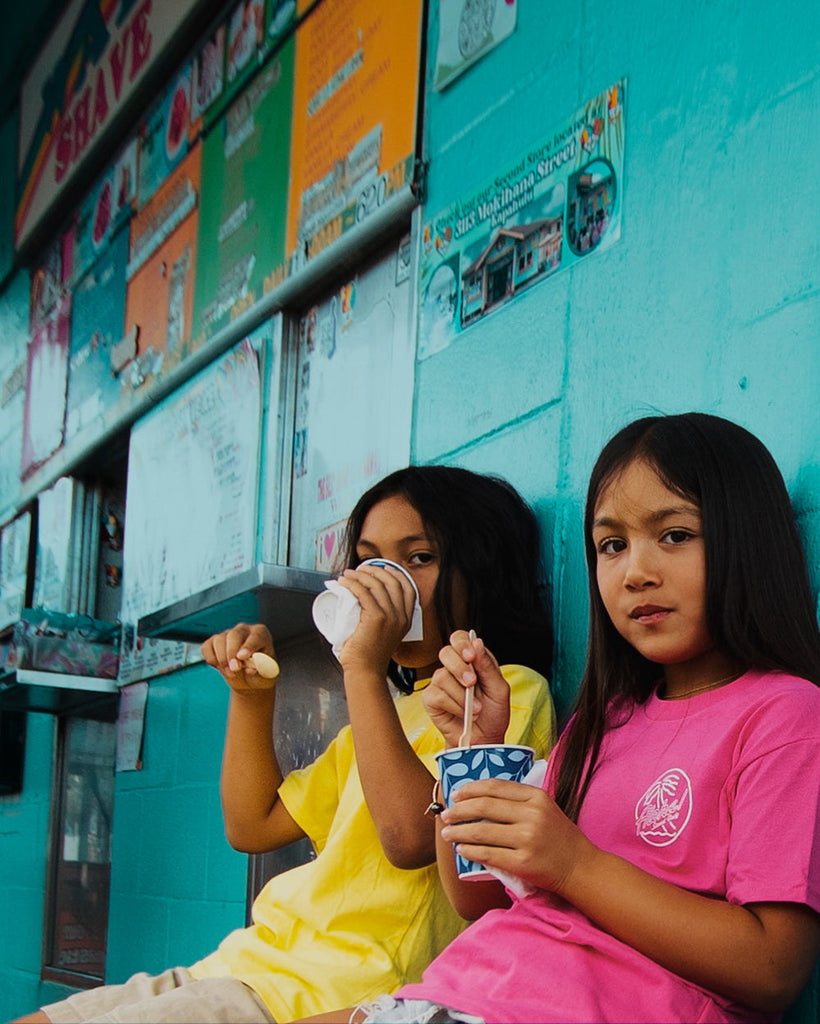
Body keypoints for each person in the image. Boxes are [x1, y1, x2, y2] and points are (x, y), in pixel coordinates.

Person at [297, 412, 820, 1024]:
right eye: (612, 545)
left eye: (675, 535)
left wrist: (576, 865)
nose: (635, 572)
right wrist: (471, 752)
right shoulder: (608, 720)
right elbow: (477, 897)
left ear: (747, 539)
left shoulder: (783, 715)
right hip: (463, 992)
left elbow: (773, 970)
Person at [17, 465, 555, 1024]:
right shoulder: (382, 717)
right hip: (247, 965)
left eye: (418, 558)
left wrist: (362, 667)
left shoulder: (504, 690)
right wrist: (252, 697)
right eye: (370, 561)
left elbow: (409, 839)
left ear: (483, 575)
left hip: (329, 990)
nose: (386, 582)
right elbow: (252, 825)